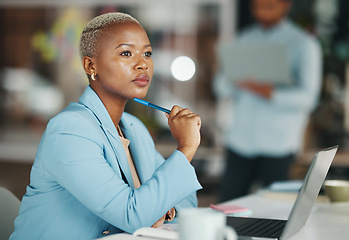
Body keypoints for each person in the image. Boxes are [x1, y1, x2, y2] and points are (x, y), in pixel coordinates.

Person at [10, 12, 202, 240]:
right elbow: (133, 216)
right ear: (91, 66)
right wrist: (186, 147)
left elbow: (187, 201)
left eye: (147, 53)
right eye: (126, 53)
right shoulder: (69, 131)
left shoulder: (134, 128)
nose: (143, 64)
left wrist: (162, 210)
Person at [213, 0, 322, 202]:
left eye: (269, 5)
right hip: (240, 142)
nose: (262, 11)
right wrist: (237, 82)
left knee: (274, 213)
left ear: (286, 5)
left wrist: (270, 93)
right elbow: (220, 86)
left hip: (278, 145)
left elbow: (309, 98)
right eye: (257, 6)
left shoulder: (303, 44)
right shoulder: (242, 40)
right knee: (227, 209)